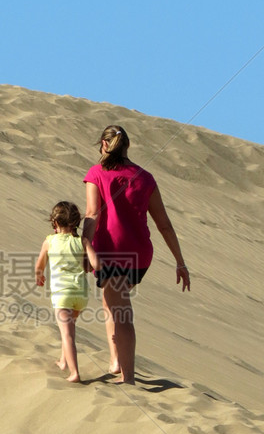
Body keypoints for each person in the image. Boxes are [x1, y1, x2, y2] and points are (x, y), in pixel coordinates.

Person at [83, 125, 190, 385]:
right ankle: (116, 360)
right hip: (139, 254)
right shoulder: (145, 177)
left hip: (112, 251)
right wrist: (180, 261)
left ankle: (128, 377)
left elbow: (92, 213)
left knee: (120, 311)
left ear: (104, 145)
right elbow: (164, 224)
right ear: (127, 146)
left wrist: (84, 246)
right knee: (111, 303)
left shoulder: (97, 173)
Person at [35, 201, 101, 383]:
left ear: (55, 223)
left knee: (67, 334)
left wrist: (39, 277)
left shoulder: (49, 241)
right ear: (75, 222)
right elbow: (96, 264)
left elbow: (39, 264)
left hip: (62, 295)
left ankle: (74, 373)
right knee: (70, 328)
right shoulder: (82, 240)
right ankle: (63, 362)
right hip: (80, 295)